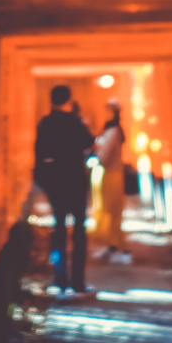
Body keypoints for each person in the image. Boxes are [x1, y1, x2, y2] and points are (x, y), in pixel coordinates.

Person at [34, 85, 95, 293]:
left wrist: (44, 181)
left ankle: (60, 279)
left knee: (59, 229)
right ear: (69, 99)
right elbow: (89, 143)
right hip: (76, 181)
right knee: (79, 231)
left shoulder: (45, 124)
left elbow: (38, 154)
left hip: (55, 184)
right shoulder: (74, 122)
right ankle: (77, 282)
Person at [95, 97, 128, 257]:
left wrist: (95, 157)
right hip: (113, 173)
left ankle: (114, 243)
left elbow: (104, 155)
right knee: (113, 209)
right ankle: (114, 243)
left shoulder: (113, 131)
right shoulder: (114, 130)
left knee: (111, 209)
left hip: (111, 174)